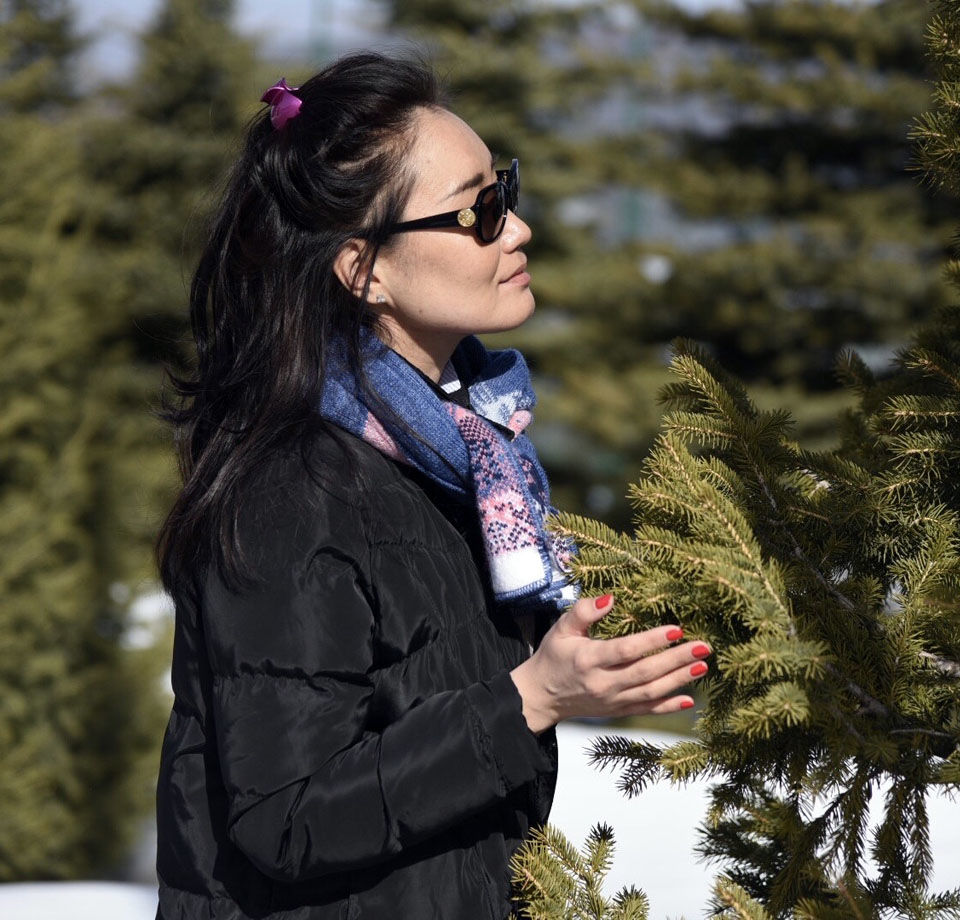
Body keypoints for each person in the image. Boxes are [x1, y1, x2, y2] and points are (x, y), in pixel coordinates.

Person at [153, 51, 711, 920]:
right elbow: (286, 818)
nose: (517, 229)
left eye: (505, 191)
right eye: (477, 211)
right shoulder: (292, 488)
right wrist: (533, 697)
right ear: (362, 269)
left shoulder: (464, 455)